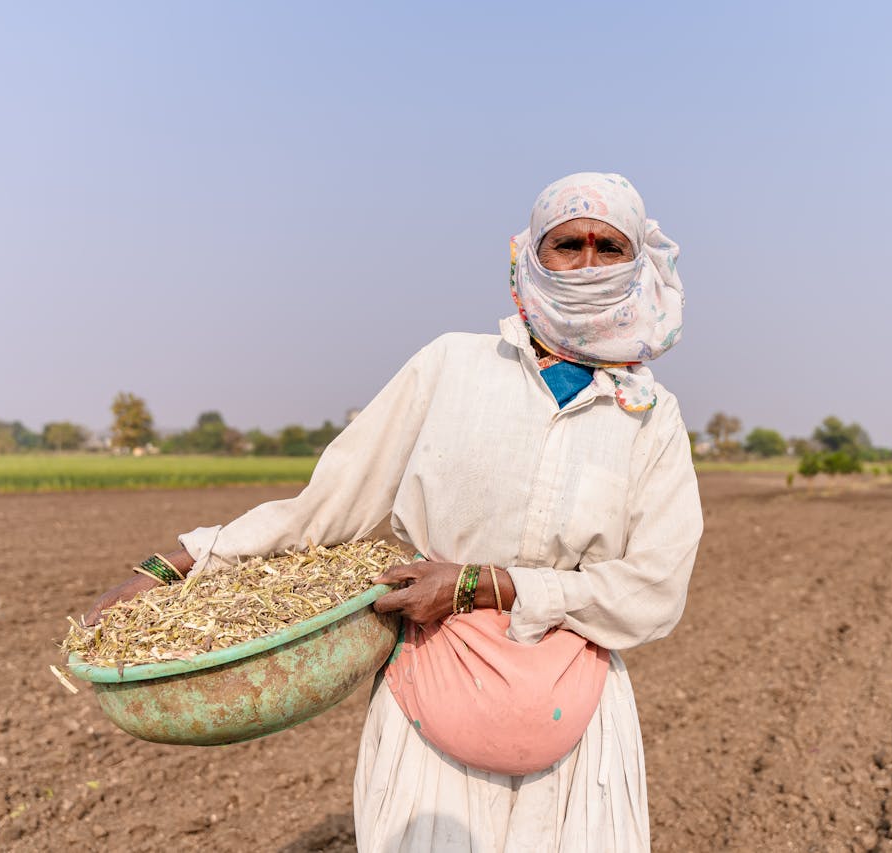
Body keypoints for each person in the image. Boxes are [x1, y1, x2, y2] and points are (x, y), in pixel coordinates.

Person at [85, 172, 703, 851]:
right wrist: (181, 561)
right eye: (568, 244)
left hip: (576, 728)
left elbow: (654, 589)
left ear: (637, 264)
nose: (586, 264)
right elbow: (327, 507)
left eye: (607, 247)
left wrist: (482, 584)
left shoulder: (650, 417)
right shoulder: (451, 367)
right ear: (531, 256)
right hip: (427, 703)